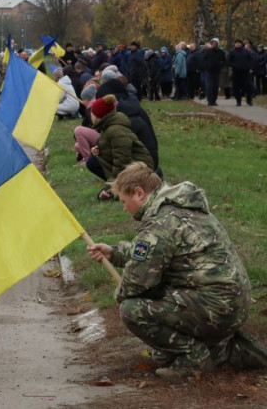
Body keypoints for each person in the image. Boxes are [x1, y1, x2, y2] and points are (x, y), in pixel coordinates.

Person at [87, 162, 267, 379]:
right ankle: (225, 349)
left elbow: (137, 282)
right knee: (158, 301)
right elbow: (151, 254)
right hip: (234, 302)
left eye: (124, 201)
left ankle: (193, 357)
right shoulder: (181, 207)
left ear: (139, 193)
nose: (124, 207)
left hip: (215, 307)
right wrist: (113, 252)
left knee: (131, 309)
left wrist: (120, 294)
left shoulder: (159, 222)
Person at [85, 95, 154, 199]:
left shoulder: (116, 130)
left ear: (99, 115)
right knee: (93, 161)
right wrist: (99, 152)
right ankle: (119, 188)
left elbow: (122, 160)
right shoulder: (108, 127)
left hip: (140, 169)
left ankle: (123, 189)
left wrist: (111, 187)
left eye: (92, 113)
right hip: (131, 167)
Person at [229, 38, 254, 106]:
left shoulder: (245, 51)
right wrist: (234, 66)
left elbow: (251, 59)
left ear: (241, 44)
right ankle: (238, 101)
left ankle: (249, 100)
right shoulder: (232, 52)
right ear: (235, 44)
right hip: (236, 72)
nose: (238, 44)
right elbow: (229, 61)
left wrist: (249, 67)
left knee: (248, 86)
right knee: (237, 87)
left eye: (239, 43)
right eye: (236, 43)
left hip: (245, 72)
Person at [203, 38, 226, 106]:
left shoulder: (221, 52)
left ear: (218, 44)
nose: (214, 44)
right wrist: (206, 66)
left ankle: (214, 100)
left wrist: (220, 66)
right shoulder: (208, 51)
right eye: (213, 43)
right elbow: (204, 59)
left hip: (217, 71)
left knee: (215, 87)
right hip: (209, 71)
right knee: (210, 86)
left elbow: (224, 60)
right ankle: (210, 101)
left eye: (215, 43)